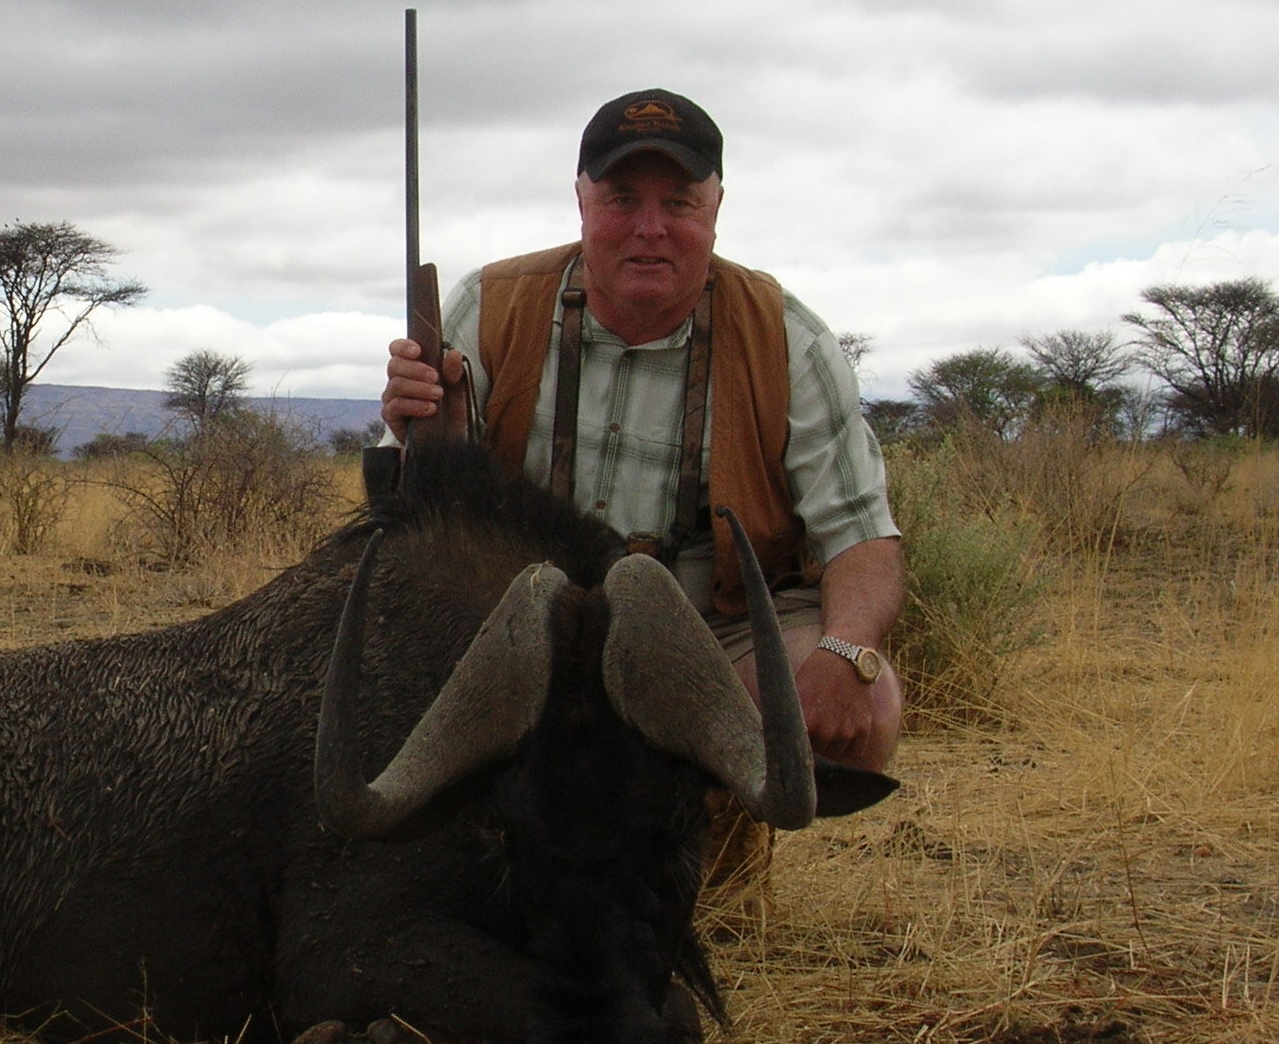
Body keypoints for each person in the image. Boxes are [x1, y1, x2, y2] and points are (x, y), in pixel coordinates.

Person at [381, 88, 904, 777]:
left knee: (872, 714)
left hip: (712, 632)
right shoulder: (490, 304)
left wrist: (846, 655)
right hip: (520, 622)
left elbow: (861, 536)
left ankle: (724, 843)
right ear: (582, 203)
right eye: (623, 199)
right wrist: (421, 438)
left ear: (716, 210)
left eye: (679, 202)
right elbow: (407, 516)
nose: (649, 228)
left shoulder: (788, 340)